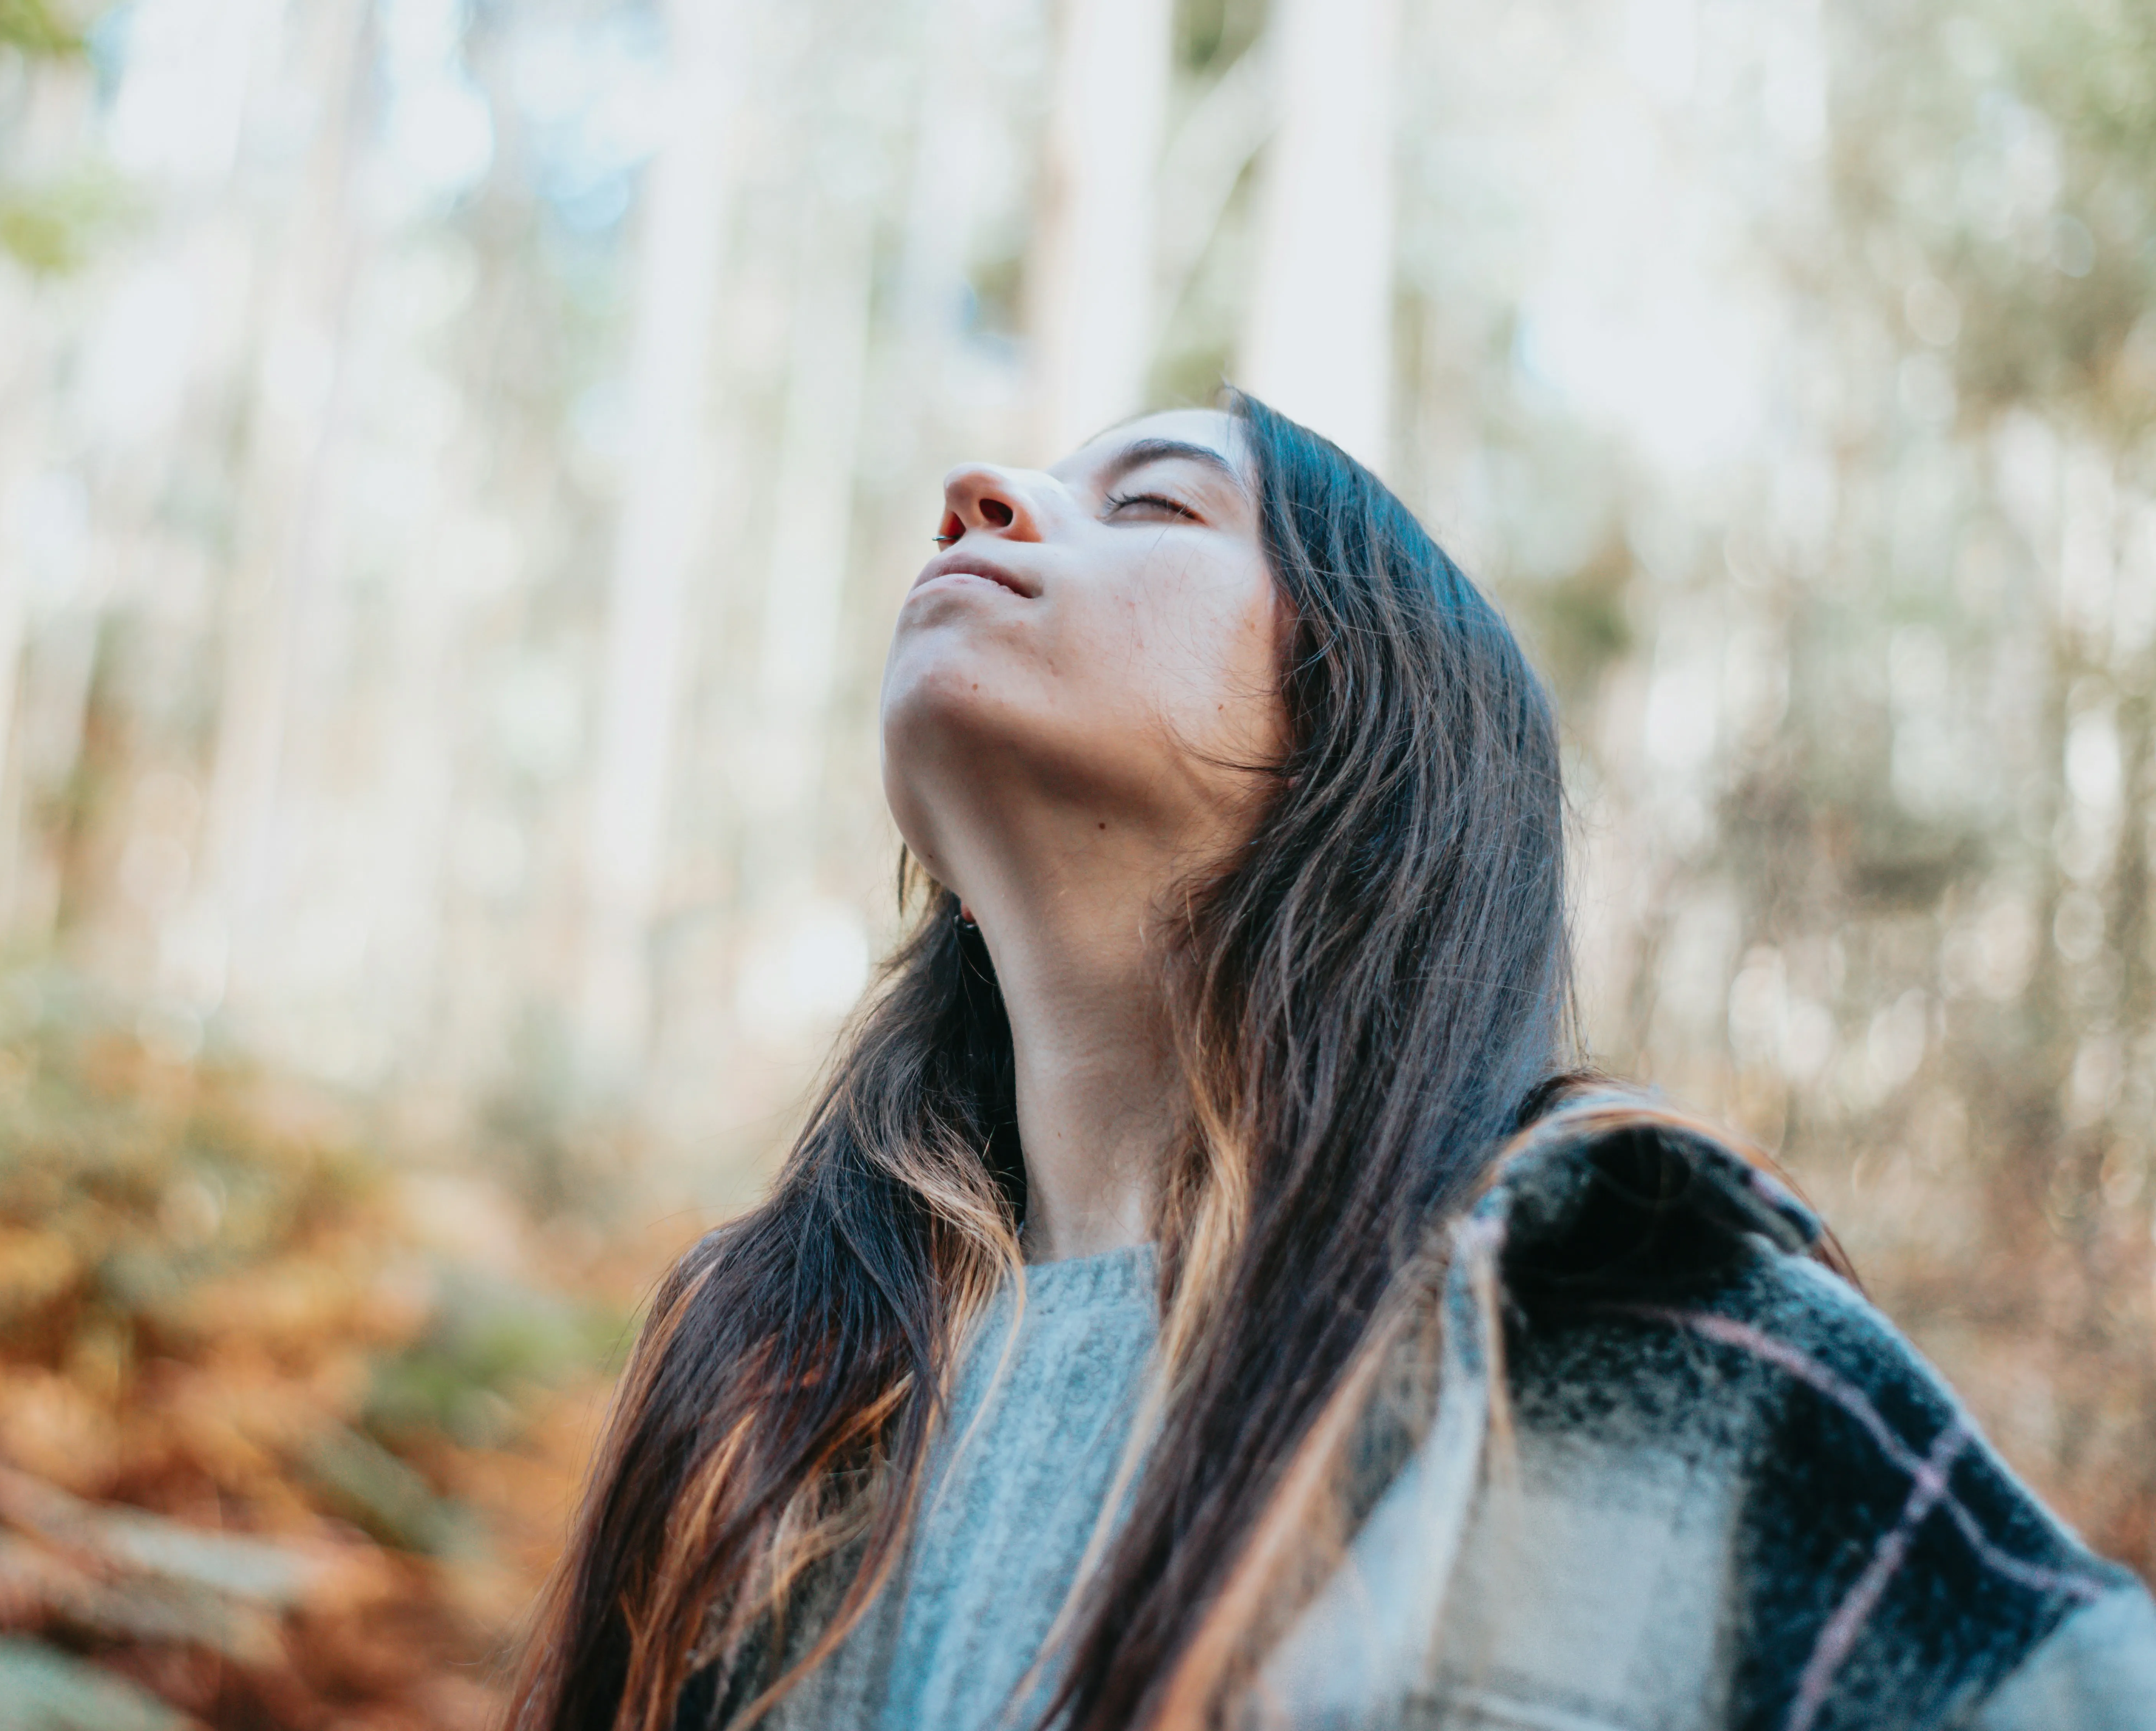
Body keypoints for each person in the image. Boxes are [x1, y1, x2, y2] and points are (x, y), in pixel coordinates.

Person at [507, 391, 2156, 1731]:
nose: (980, 491)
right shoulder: (769, 1384)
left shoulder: (1646, 1346)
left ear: (1369, 726)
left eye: (1153, 504)